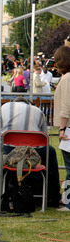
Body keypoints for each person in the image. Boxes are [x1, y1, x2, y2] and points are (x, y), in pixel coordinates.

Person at [1, 97, 61, 207]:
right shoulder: (38, 111)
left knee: (2, 148)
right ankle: (53, 195)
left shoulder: (4, 108)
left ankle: (2, 190)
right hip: (34, 149)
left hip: (11, 149)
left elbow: (1, 132)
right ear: (29, 104)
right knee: (50, 152)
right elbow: (44, 138)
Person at [53, 45, 70, 211]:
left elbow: (66, 106)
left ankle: (69, 202)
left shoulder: (67, 79)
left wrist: (62, 128)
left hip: (68, 128)